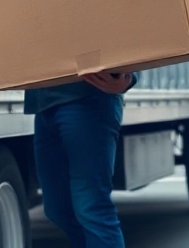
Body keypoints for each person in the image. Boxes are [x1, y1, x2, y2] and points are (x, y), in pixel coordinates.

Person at [25, 71, 138, 248]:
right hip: (44, 104)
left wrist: (130, 77)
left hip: (87, 98)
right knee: (58, 209)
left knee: (92, 208)